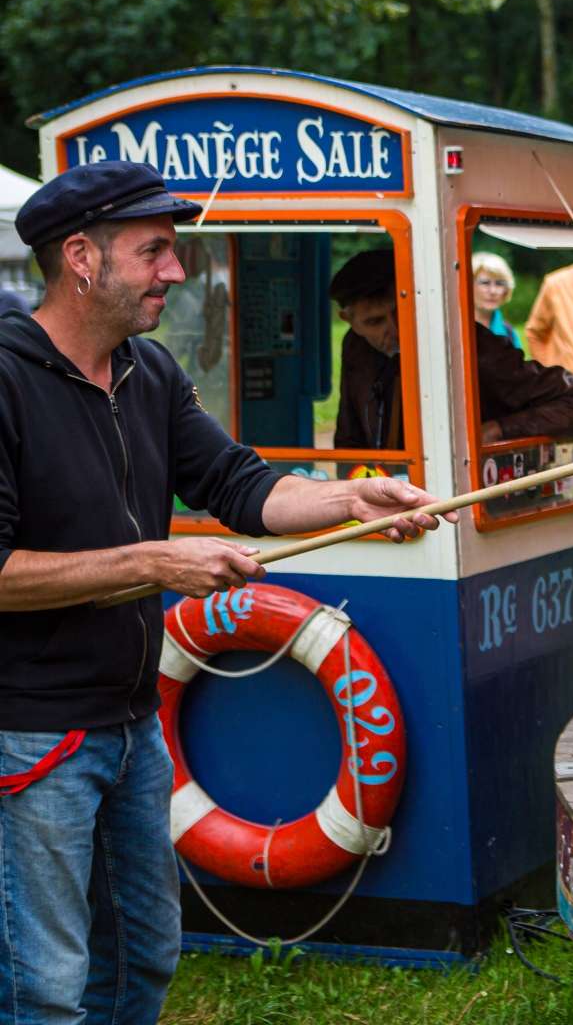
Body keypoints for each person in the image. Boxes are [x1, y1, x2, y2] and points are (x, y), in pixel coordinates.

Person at [0, 161, 453, 1024]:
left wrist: (353, 498)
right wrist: (153, 563)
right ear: (83, 258)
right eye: (156, 252)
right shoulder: (6, 380)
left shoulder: (149, 373)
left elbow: (242, 485)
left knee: (141, 958)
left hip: (131, 728)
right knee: (44, 987)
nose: (176, 271)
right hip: (30, 738)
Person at [330, 249, 573, 451]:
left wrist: (500, 429)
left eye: (401, 313)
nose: (394, 330)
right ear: (349, 322)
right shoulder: (356, 346)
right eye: (374, 322)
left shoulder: (469, 344)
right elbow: (349, 435)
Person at [470, 250, 523, 350]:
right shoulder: (455, 329)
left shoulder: (509, 333)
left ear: (506, 290)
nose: (493, 291)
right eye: (485, 283)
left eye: (499, 283)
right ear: (469, 285)